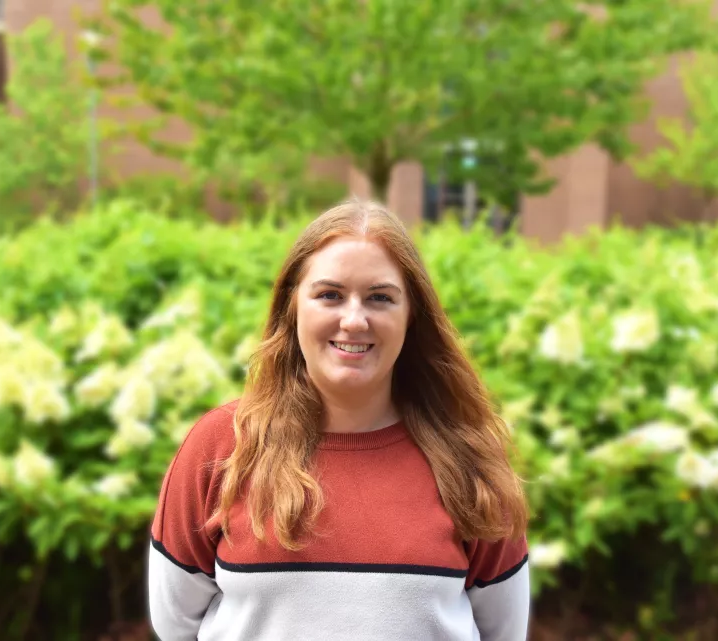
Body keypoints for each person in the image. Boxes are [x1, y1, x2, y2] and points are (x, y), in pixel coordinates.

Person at [147, 199, 531, 641]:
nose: (354, 320)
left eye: (380, 298)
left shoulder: (468, 458)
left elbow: (502, 632)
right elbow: (175, 624)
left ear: (412, 316)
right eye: (330, 295)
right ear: (293, 307)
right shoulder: (219, 447)